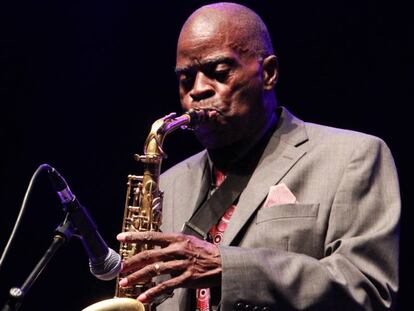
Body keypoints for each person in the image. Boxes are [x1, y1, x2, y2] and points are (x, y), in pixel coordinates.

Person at [116, 2, 400, 310]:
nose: (197, 90)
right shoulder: (166, 185)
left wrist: (229, 268)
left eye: (219, 72)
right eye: (186, 79)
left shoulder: (352, 157)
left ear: (268, 73)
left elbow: (368, 289)